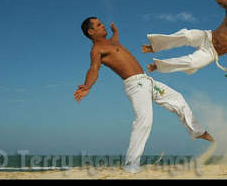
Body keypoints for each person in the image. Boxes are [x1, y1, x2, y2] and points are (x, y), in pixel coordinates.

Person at [73, 17, 214, 174]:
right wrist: (87, 86)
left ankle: (197, 131)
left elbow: (115, 40)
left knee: (177, 98)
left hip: (147, 81)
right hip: (136, 86)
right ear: (91, 32)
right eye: (99, 25)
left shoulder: (112, 42)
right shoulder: (97, 50)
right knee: (144, 122)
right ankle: (131, 165)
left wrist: (116, 32)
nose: (103, 25)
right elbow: (94, 68)